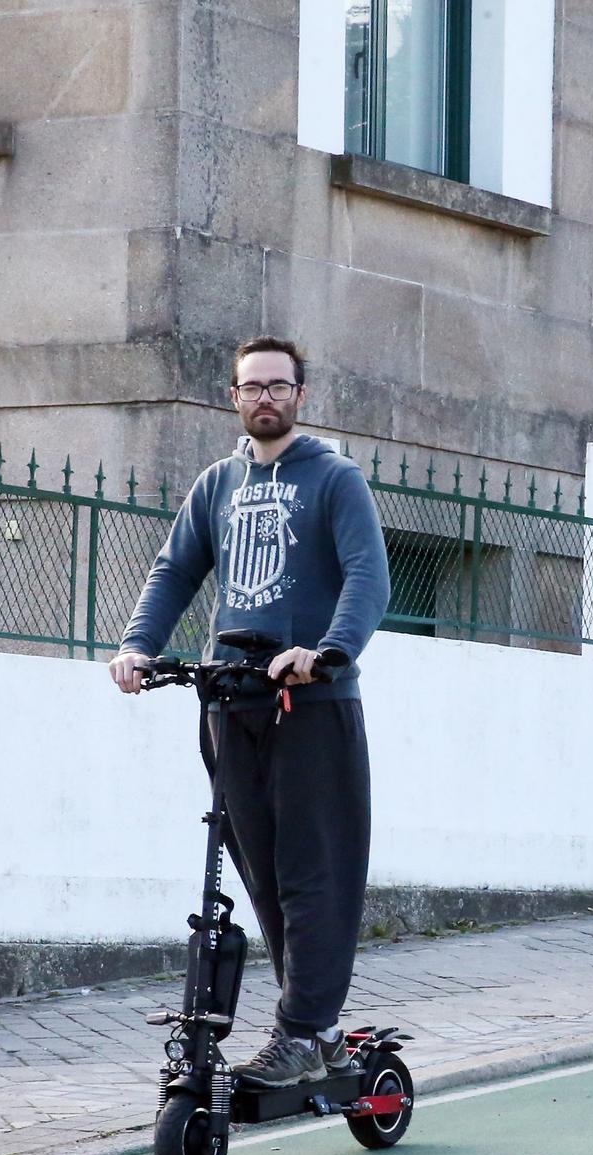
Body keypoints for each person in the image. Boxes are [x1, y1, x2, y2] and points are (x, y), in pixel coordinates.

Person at [108, 335, 391, 1087]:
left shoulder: (334, 479)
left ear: (301, 393)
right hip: (231, 704)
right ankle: (318, 1025)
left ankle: (303, 1031)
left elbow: (368, 574)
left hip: (310, 701)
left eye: (279, 385)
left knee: (313, 874)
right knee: (263, 875)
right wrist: (140, 646)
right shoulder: (217, 485)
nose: (265, 397)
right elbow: (175, 569)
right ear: (233, 397)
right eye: (251, 387)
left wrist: (327, 648)